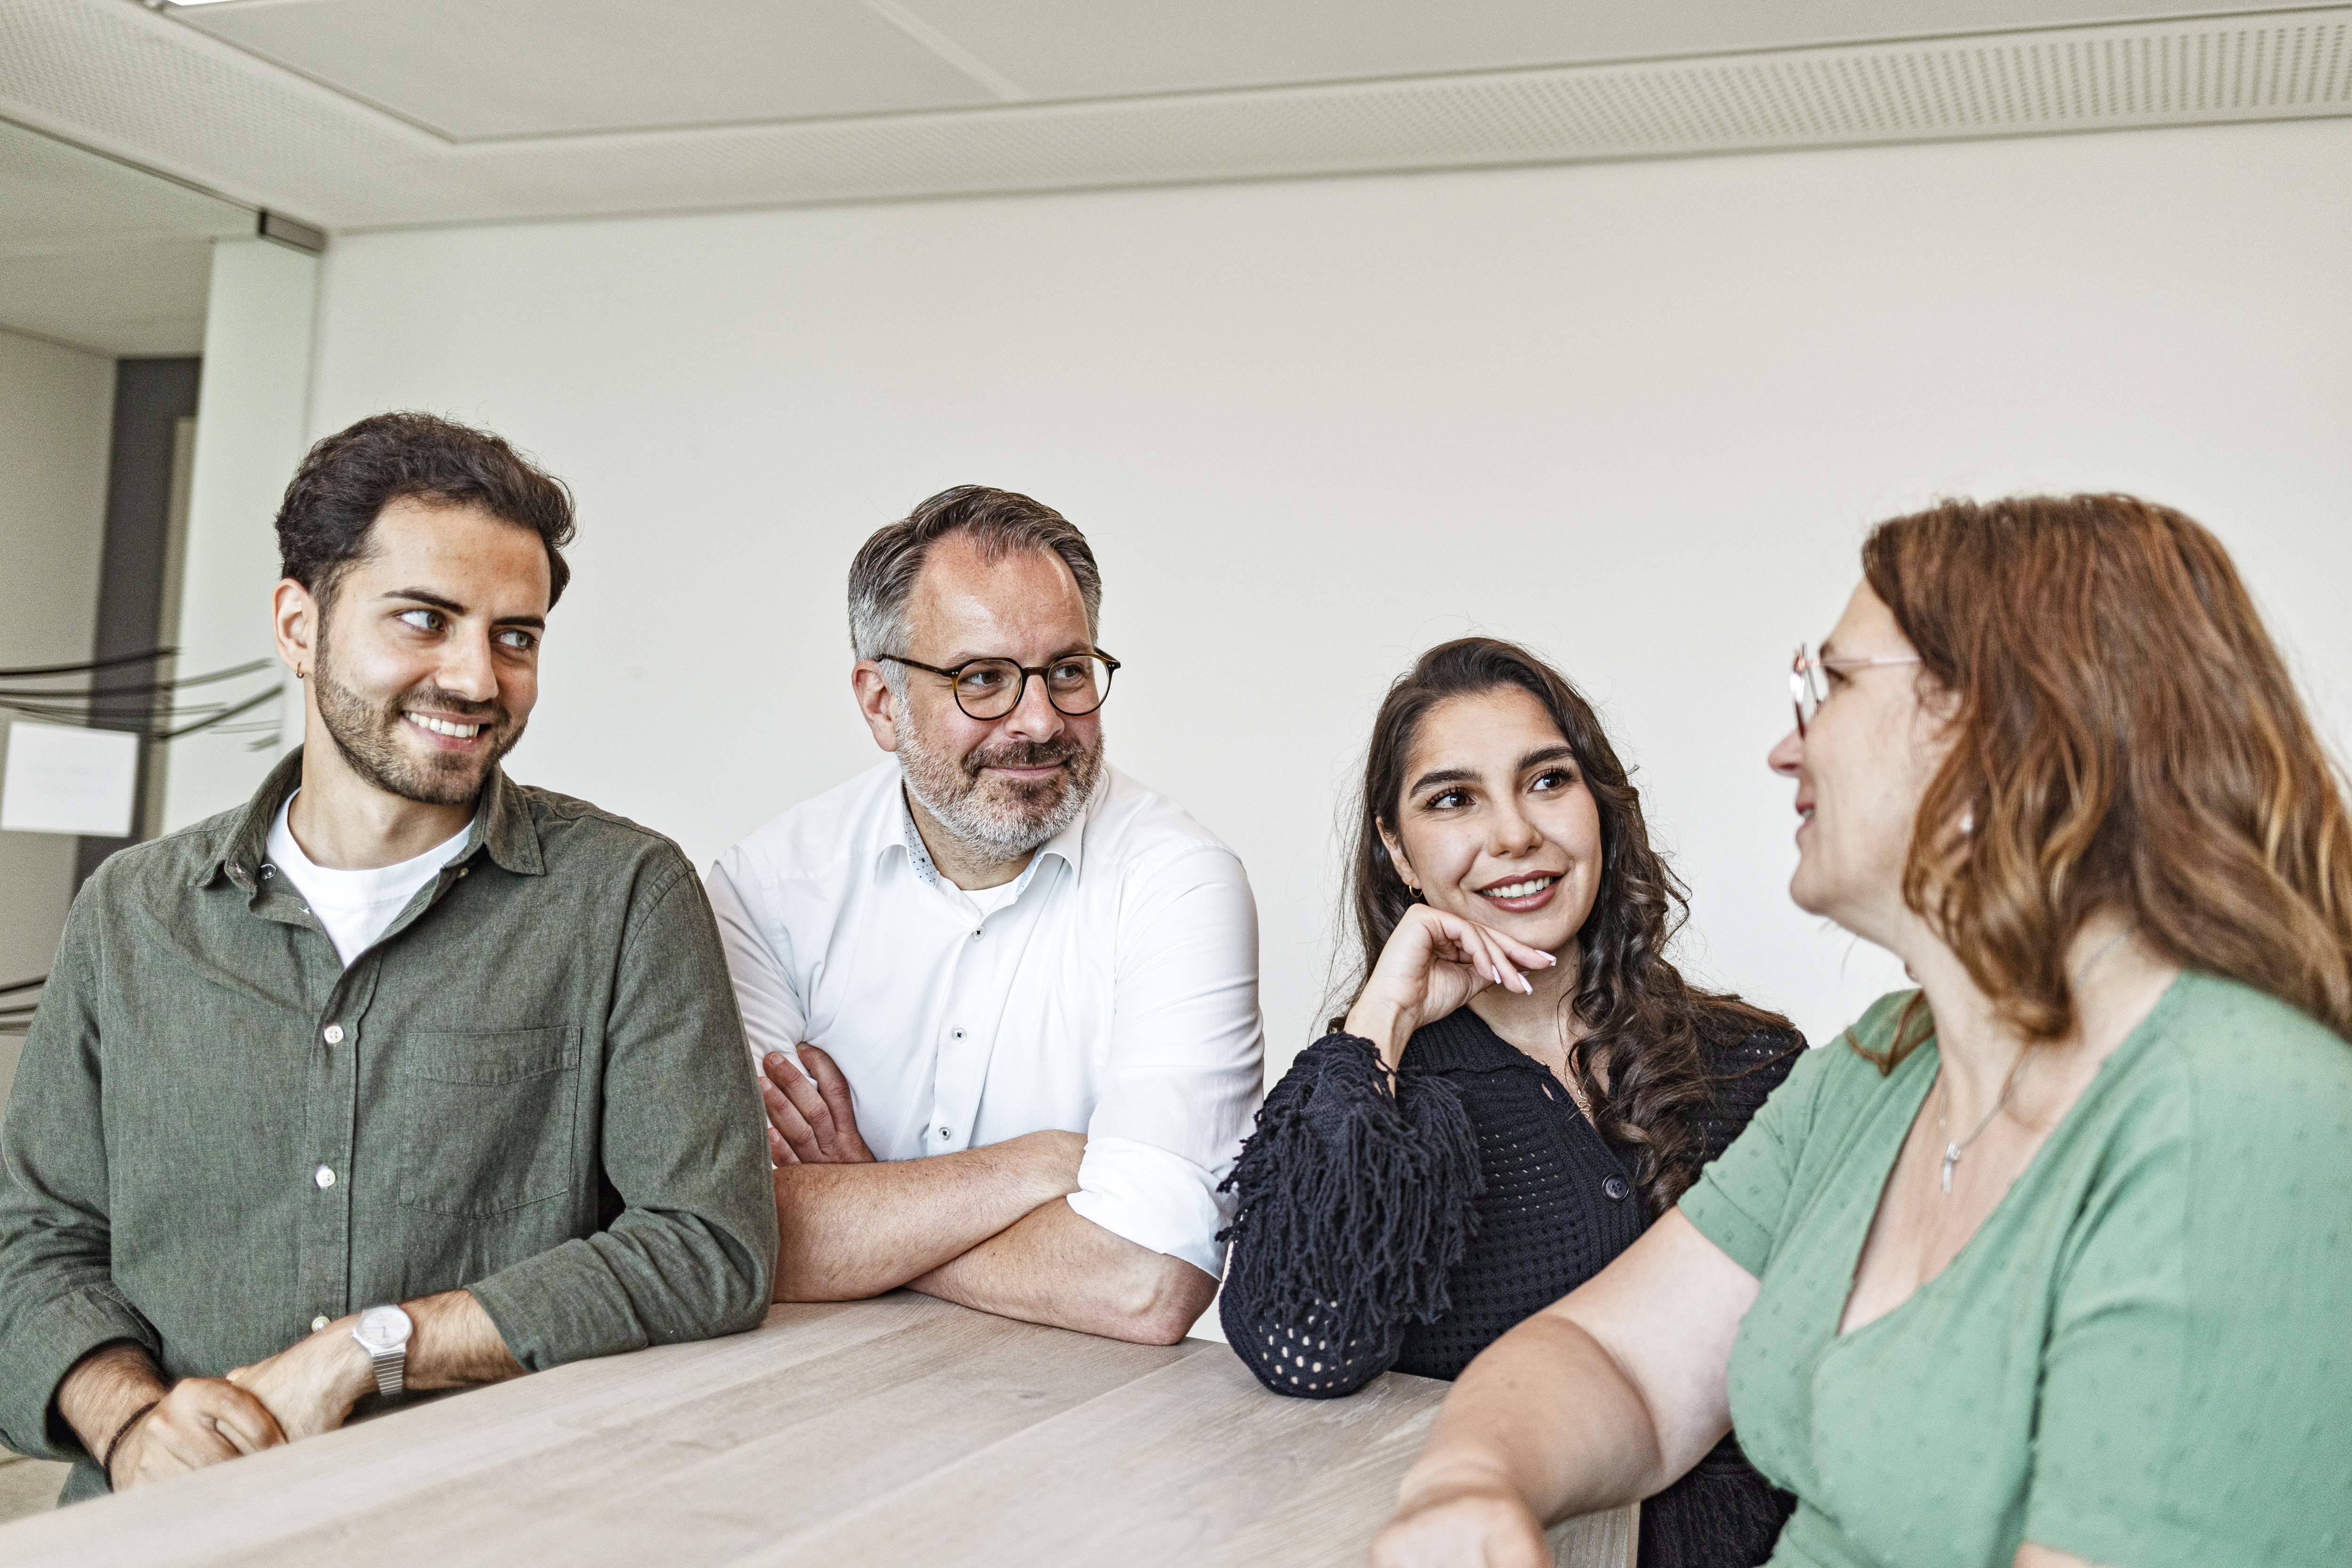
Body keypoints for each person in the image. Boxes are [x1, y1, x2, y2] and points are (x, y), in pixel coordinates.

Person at [1374, 494, 2352, 1568]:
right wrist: (1468, 1481)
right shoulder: (1888, 1061)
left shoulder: (2245, 1112)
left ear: (2012, 728)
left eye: (1828, 685)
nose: (1783, 749)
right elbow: (1619, 1361)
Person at [0, 413, 777, 1504]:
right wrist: (131, 1420)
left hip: (482, 1521)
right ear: (298, 623)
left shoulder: (624, 897)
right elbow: (28, 1243)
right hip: (161, 1524)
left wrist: (379, 1344)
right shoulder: (133, 913)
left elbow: (708, 1244)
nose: (476, 677)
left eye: (517, 636)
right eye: (425, 619)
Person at [1218, 637, 1800, 1568]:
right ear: (1395, 849)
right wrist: (1382, 1019)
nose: (1514, 834)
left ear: (1600, 804)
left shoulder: (1754, 1060)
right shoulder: (1372, 1101)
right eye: (1453, 799)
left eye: (1546, 780)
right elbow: (1303, 1348)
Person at [707, 485, 1262, 1345]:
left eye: (1068, 672)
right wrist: (1039, 1167)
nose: (1039, 721)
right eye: (984, 680)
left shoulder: (1180, 883)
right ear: (882, 701)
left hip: (1089, 1430)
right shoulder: (768, 888)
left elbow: (1147, 1281)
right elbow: (724, 1232)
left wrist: (870, 1208)